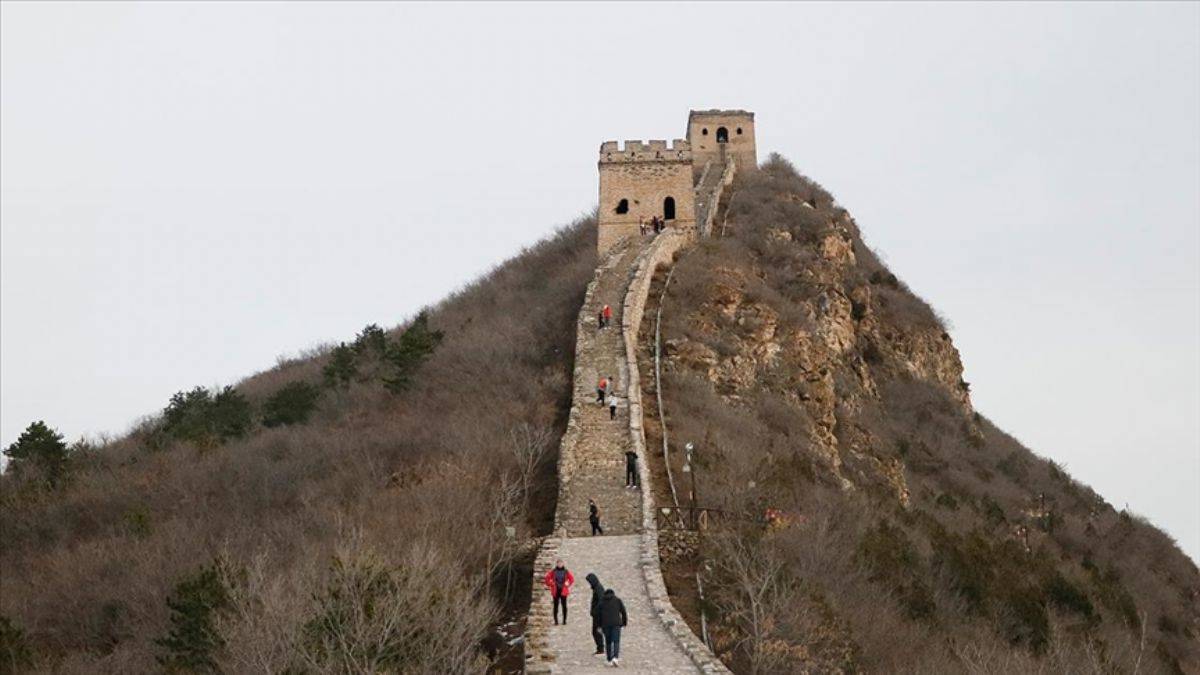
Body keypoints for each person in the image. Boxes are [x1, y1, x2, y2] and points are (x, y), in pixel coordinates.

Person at [599, 587, 628, 666]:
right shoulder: (617, 600)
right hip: (616, 624)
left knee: (608, 641)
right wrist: (624, 622)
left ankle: (609, 659)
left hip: (605, 624)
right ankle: (615, 657)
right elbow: (623, 612)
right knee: (616, 641)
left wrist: (599, 626)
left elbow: (598, 615)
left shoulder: (602, 602)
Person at [543, 559, 574, 625]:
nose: (560, 565)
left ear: (563, 564)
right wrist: (551, 584)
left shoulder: (566, 571)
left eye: (561, 563)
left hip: (563, 591)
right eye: (558, 563)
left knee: (564, 606)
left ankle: (564, 620)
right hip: (556, 591)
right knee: (555, 606)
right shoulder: (553, 571)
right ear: (556, 564)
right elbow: (547, 579)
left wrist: (568, 583)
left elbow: (571, 579)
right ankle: (556, 621)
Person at [586, 573, 606, 656]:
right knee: (596, 631)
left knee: (596, 631)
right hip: (596, 614)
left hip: (598, 615)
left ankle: (600, 648)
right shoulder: (597, 588)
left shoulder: (599, 589)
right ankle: (600, 648)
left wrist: (595, 611)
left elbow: (601, 601)